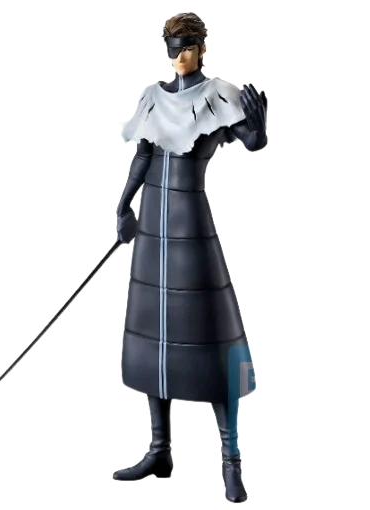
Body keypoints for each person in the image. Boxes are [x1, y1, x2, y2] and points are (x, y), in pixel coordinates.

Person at [113, 11, 268, 502]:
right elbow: (142, 155)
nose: (179, 55)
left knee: (211, 339)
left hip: (190, 226)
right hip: (152, 232)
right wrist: (122, 208)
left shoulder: (219, 94)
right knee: (154, 339)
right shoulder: (152, 96)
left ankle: (231, 461)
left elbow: (252, 143)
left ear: (202, 47)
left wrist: (260, 124)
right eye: (172, 46)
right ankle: (159, 450)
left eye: (187, 46)